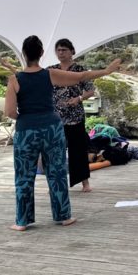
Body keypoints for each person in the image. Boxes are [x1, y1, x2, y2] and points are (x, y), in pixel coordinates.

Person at [3, 37, 119, 232]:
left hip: (26, 130)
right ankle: (63, 216)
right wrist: (107, 71)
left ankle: (22, 221)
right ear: (41, 53)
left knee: (24, 175)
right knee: (56, 172)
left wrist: (26, 117)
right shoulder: (50, 74)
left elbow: (9, 112)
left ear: (24, 54)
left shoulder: (15, 80)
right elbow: (83, 76)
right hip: (52, 128)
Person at [49, 38, 95, 192]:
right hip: (55, 117)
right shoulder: (51, 70)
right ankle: (55, 183)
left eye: (64, 50)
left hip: (75, 116)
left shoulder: (80, 70)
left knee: (78, 150)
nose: (61, 53)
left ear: (71, 52)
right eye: (58, 50)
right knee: (56, 152)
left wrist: (79, 98)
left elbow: (90, 90)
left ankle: (85, 183)